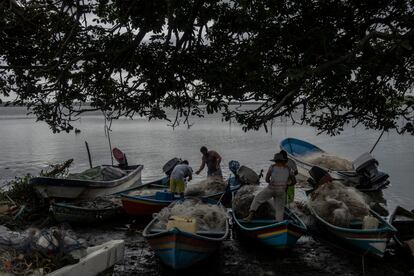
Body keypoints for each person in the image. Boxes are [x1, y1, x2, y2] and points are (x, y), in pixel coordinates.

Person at [244, 153, 296, 222]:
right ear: (283, 160)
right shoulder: (289, 169)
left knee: (257, 199)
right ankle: (279, 224)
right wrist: (286, 184)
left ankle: (250, 216)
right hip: (281, 191)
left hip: (271, 188)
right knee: (279, 209)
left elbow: (267, 179)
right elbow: (294, 181)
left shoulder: (272, 167)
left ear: (275, 160)